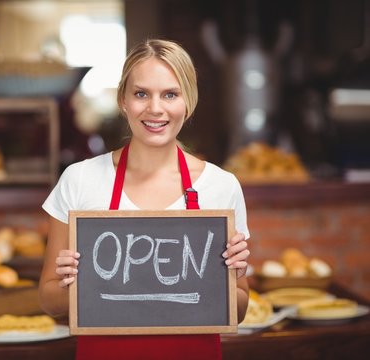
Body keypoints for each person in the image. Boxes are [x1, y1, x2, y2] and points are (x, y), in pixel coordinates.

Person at [39, 38, 250, 360]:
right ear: (123, 100)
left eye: (170, 94)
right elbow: (48, 301)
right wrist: (72, 286)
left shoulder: (221, 186)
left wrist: (228, 275)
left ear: (188, 102)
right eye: (141, 94)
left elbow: (241, 308)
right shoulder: (79, 180)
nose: (155, 108)